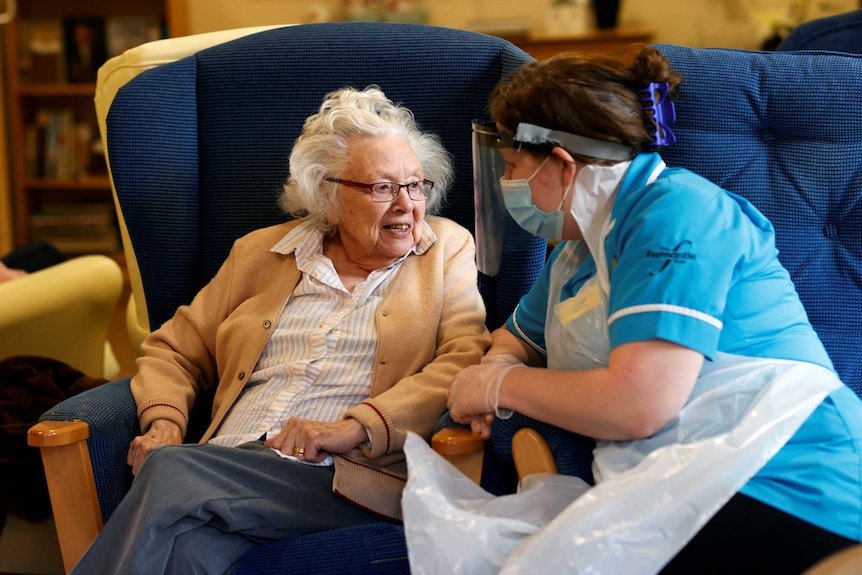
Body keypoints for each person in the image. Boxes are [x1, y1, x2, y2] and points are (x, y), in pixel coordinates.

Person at [445, 47, 862, 573]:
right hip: (684, 476)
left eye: (511, 166)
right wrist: (498, 363)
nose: (508, 184)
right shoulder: (581, 242)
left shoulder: (680, 213)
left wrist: (495, 389)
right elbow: (519, 336)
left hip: (790, 476)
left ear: (561, 162)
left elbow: (638, 404)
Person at [69, 85, 491, 574]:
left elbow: (464, 357)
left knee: (169, 469)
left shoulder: (445, 249)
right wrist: (164, 422)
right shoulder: (259, 253)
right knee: (188, 552)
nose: (406, 204)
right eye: (382, 187)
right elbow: (174, 350)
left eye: (415, 185)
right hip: (220, 468)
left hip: (342, 476)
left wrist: (355, 427)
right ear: (327, 197)